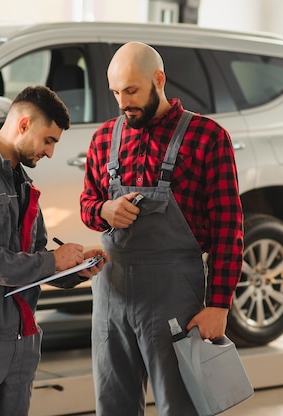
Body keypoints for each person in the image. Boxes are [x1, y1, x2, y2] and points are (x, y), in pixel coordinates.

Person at [80, 42, 244, 415]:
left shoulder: (208, 137)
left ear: (159, 79)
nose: (123, 102)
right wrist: (104, 209)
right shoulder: (104, 138)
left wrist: (219, 304)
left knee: (180, 406)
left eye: (132, 90)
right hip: (112, 298)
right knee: (113, 405)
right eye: (116, 93)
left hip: (175, 297)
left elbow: (228, 226)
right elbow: (87, 205)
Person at [0, 85, 107, 416]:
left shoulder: (23, 184)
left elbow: (33, 257)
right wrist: (51, 260)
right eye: (49, 140)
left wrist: (74, 269)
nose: (51, 152)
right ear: (23, 124)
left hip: (21, 337)